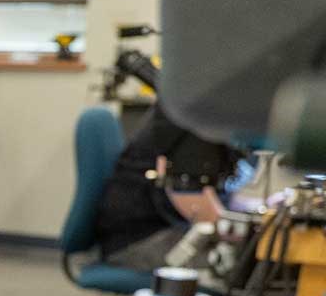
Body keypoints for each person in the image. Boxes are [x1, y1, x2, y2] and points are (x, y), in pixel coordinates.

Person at [93, 107, 243, 271]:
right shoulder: (193, 113)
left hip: (179, 226)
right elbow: (200, 210)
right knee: (244, 268)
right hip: (141, 238)